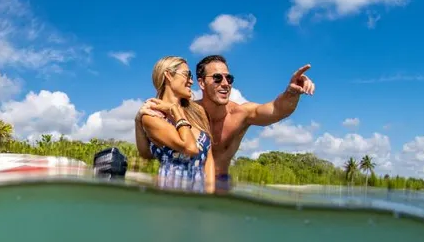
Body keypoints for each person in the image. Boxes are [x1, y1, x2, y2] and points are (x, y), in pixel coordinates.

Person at [134, 54, 315, 190]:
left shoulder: (240, 113)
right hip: (178, 187)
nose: (226, 83)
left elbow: (276, 110)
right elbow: (150, 151)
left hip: (220, 184)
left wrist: (292, 92)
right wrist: (138, 121)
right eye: (217, 78)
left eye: (229, 78)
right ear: (202, 83)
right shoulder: (185, 110)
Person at [137, 56, 215, 193]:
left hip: (199, 198)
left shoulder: (198, 112)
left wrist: (210, 196)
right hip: (170, 198)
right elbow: (190, 148)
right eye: (187, 75)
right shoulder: (152, 117)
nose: (191, 81)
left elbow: (209, 158)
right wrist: (175, 110)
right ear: (168, 75)